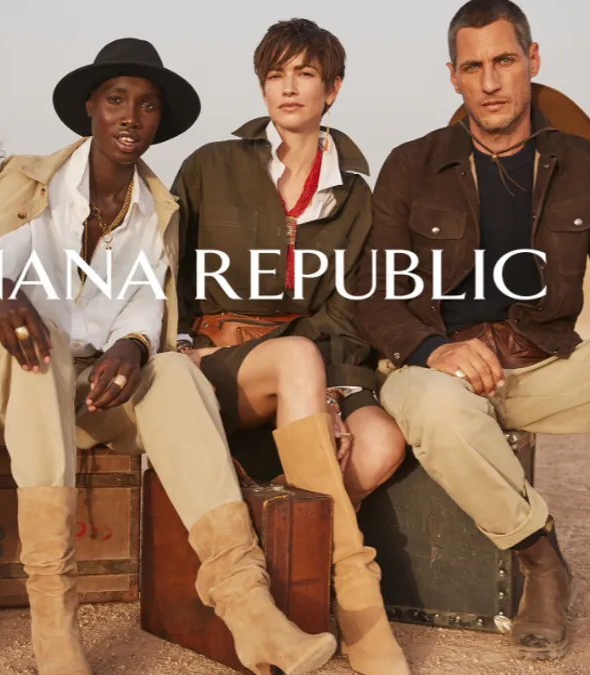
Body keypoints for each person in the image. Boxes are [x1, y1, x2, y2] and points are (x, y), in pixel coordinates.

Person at [0, 38, 338, 675]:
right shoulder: (26, 184)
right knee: (40, 344)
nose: (130, 117)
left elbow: (146, 303)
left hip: (91, 401)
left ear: (158, 122)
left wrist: (133, 344)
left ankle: (246, 606)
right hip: (8, 391)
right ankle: (54, 620)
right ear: (91, 106)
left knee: (170, 369)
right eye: (116, 99)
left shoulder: (155, 209)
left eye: (147, 107)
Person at [354, 1, 590, 674]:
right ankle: (542, 561)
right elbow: (375, 289)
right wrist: (433, 349)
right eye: (473, 67)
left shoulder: (586, 164)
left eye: (504, 61)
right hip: (445, 372)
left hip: (543, 368)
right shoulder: (411, 165)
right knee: (427, 398)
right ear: (453, 78)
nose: (490, 81)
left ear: (533, 61)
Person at [170, 18, 410, 675]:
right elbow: (164, 272)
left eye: (305, 73)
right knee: (296, 360)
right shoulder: (209, 166)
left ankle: (279, 547)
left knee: (383, 441)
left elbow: (347, 313)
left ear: (332, 89)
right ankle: (359, 604)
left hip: (309, 366)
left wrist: (331, 390)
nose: (289, 87)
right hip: (214, 364)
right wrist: (180, 342)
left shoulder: (359, 195)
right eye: (275, 74)